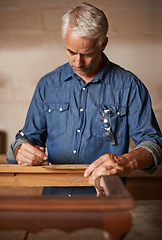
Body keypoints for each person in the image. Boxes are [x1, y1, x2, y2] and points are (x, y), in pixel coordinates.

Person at [7, 2, 162, 195]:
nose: (78, 62)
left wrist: (126, 162)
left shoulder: (129, 86)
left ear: (103, 44)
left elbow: (154, 143)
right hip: (54, 205)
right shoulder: (48, 85)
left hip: (105, 205)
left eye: (87, 54)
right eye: (71, 52)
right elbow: (26, 139)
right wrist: (20, 149)